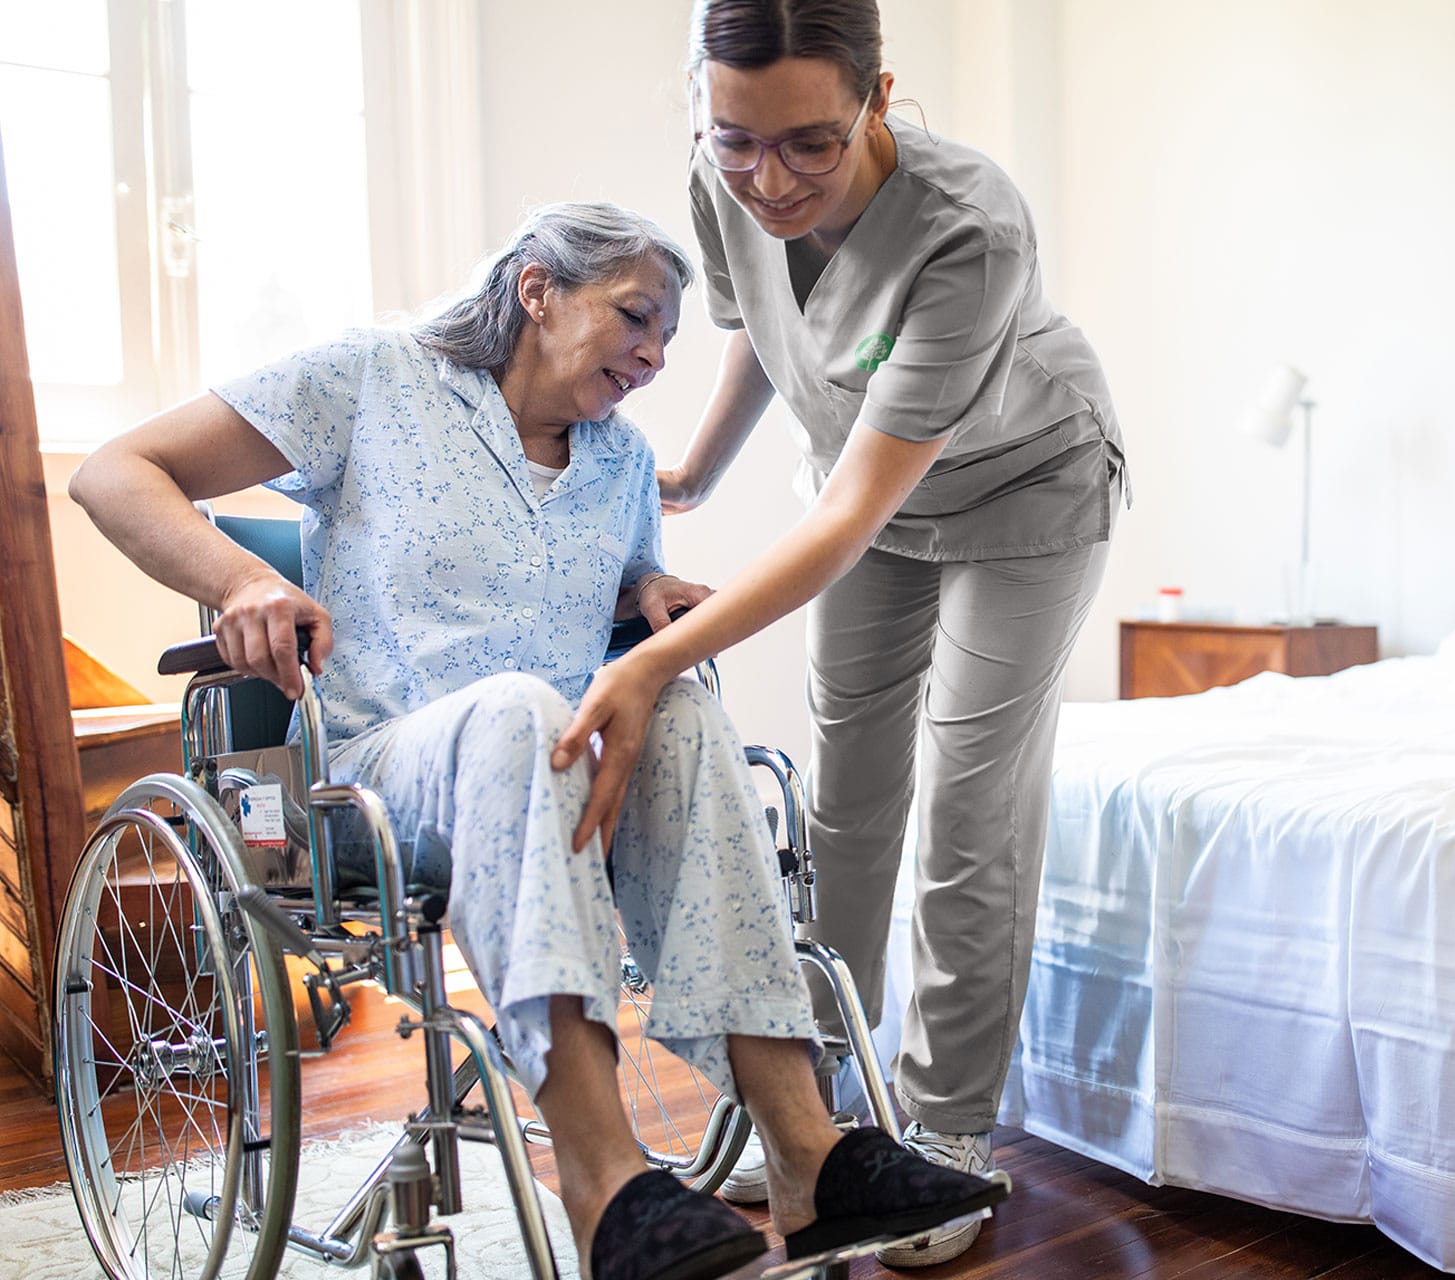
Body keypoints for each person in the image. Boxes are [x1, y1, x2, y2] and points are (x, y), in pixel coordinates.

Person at [66, 201, 1005, 1280]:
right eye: (636, 317)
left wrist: (647, 589)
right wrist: (242, 578)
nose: (654, 355)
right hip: (385, 776)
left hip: (565, 788)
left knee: (681, 701)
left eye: (668, 338)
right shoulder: (375, 377)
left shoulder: (619, 460)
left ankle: (809, 1155)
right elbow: (115, 470)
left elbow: (610, 594)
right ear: (537, 289)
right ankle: (606, 1184)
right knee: (519, 705)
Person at [556, 2, 1128, 1266]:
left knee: (970, 808)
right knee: (844, 810)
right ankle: (818, 1120)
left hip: (1021, 494)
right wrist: (696, 467)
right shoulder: (727, 174)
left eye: (809, 145)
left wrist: (653, 660)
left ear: (878, 99)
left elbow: (855, 512)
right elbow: (776, 326)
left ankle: (950, 1127)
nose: (771, 179)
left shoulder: (969, 227)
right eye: (738, 142)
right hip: (868, 494)